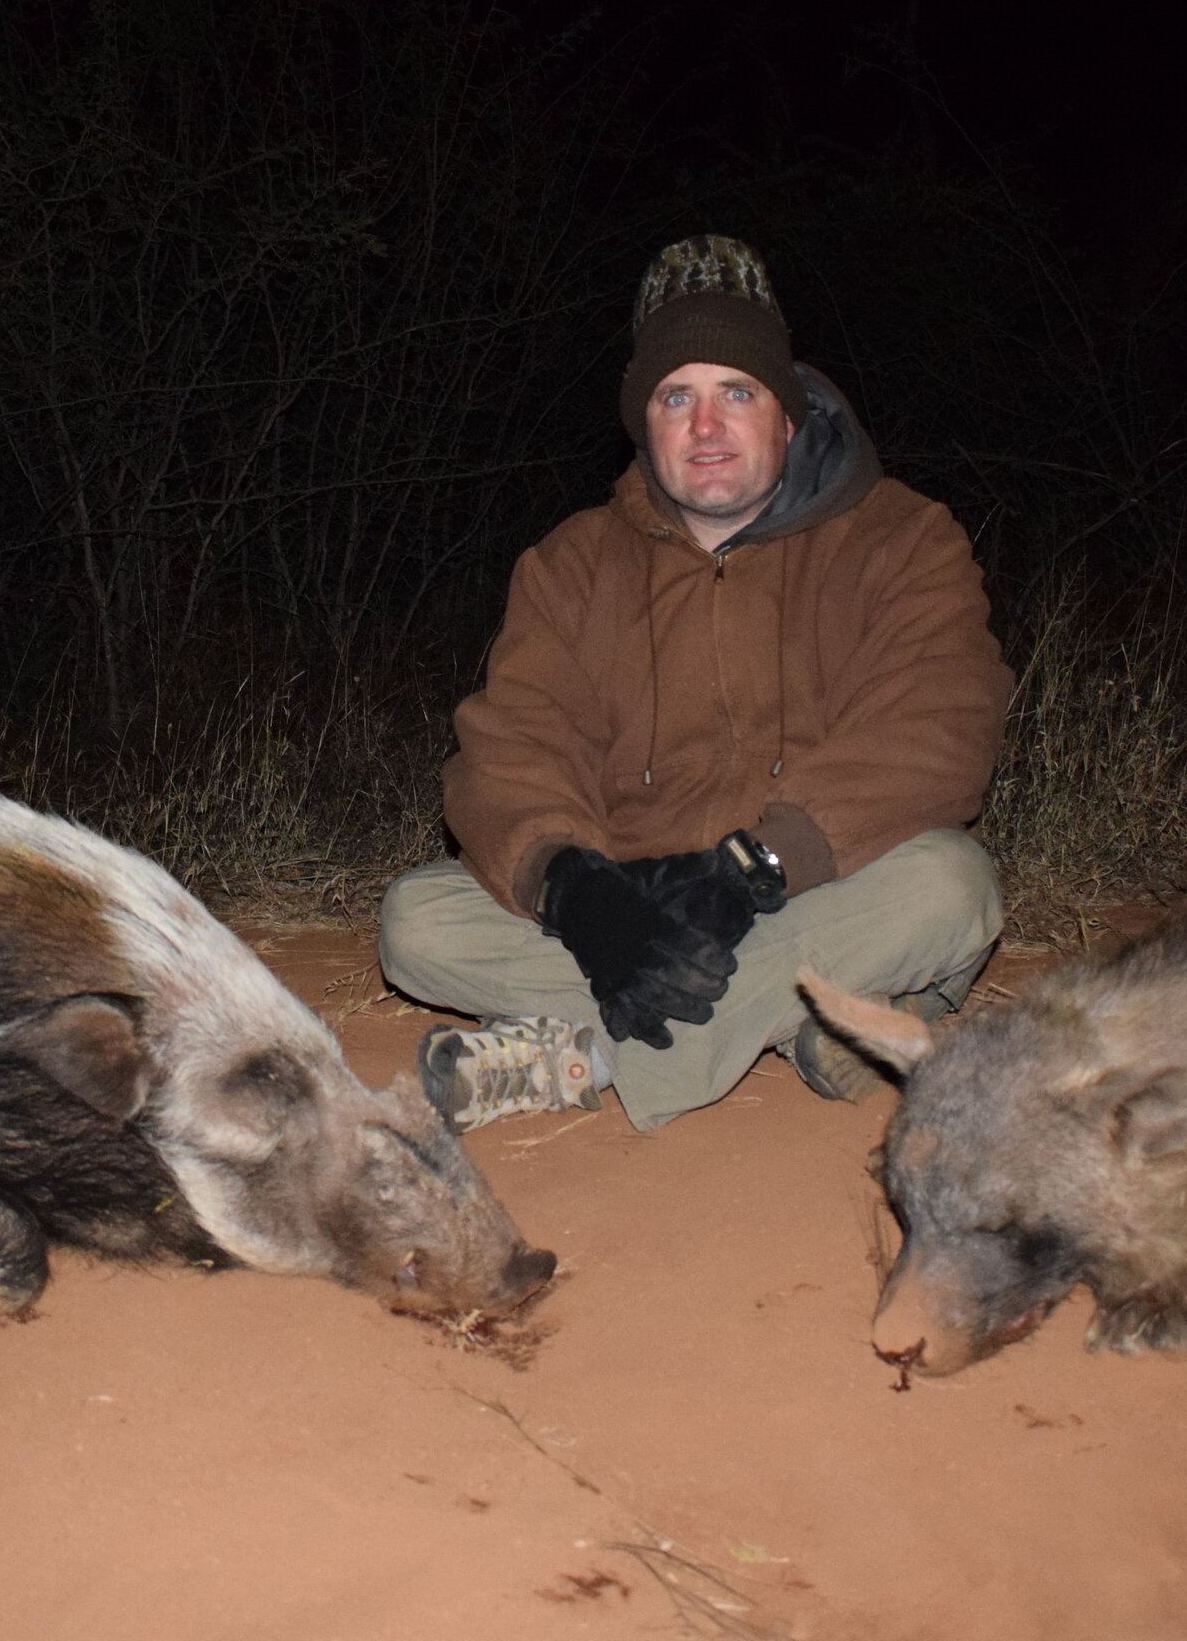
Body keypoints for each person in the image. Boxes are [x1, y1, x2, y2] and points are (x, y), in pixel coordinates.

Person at [378, 235, 1015, 1131]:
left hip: (814, 887)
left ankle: (581, 1056)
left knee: (950, 886)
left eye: (737, 394)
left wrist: (751, 872)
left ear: (787, 417)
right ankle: (821, 1020)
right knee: (415, 921)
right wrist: (579, 895)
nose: (706, 429)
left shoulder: (905, 539)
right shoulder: (570, 565)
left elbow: (937, 727)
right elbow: (516, 742)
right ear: (645, 424)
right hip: (637, 905)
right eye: (677, 398)